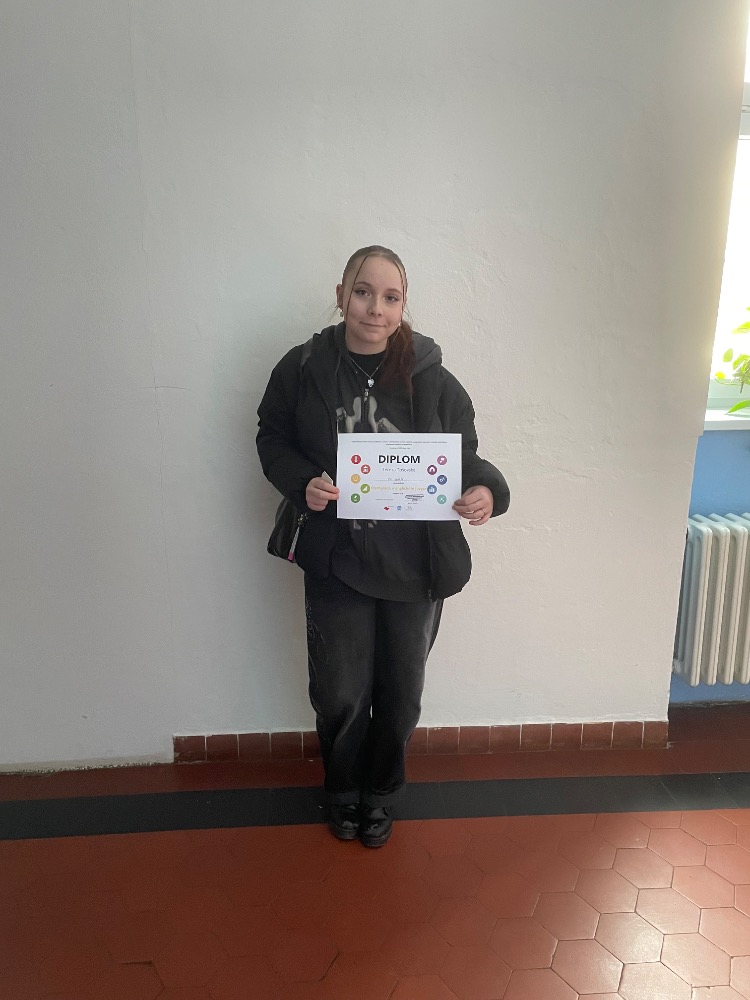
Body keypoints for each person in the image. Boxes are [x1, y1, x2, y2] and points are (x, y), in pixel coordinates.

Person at [257, 246, 509, 847]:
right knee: (340, 693)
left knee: (401, 695)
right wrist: (303, 482)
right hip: (337, 558)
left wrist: (485, 491)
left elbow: (464, 456)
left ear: (403, 305)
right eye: (363, 292)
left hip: (415, 565)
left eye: (390, 297)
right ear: (341, 294)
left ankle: (382, 795)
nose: (376, 308)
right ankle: (342, 791)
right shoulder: (302, 368)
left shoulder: (434, 377)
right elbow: (272, 437)